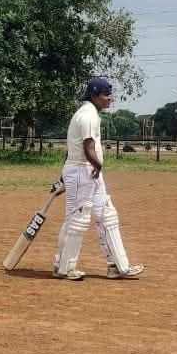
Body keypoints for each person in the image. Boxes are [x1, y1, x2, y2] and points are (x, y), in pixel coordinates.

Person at [53, 76, 144, 281]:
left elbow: (76, 148)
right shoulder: (87, 115)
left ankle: (117, 266)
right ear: (94, 96)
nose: (109, 98)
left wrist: (86, 170)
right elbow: (88, 147)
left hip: (88, 170)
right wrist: (98, 165)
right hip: (83, 170)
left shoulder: (90, 113)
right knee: (78, 219)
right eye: (106, 95)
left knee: (106, 214)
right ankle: (63, 267)